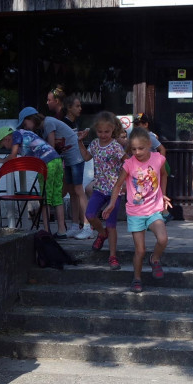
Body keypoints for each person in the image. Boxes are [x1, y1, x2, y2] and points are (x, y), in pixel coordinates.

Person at [102, 127, 171, 293]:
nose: (137, 152)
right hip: (135, 212)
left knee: (163, 239)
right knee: (140, 250)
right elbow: (118, 185)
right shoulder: (129, 164)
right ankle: (137, 278)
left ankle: (155, 259)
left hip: (154, 209)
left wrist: (163, 194)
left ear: (149, 145)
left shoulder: (158, 159)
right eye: (133, 149)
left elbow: (164, 174)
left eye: (141, 148)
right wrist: (111, 204)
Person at [18, 107, 88, 238]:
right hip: (66, 158)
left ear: (31, 118)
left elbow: (51, 146)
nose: (25, 127)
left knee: (78, 190)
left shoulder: (48, 123)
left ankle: (87, 226)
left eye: (25, 124)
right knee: (71, 192)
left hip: (76, 156)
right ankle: (74, 226)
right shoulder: (42, 128)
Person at [0, 124, 65, 237]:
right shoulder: (25, 134)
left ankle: (47, 231)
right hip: (57, 161)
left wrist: (2, 160)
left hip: (46, 163)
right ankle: (62, 231)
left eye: (3, 145)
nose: (6, 148)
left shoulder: (16, 134)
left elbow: (13, 156)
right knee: (57, 197)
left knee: (45, 199)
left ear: (7, 138)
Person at [78, 111, 125, 270]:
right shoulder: (94, 144)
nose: (103, 135)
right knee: (90, 214)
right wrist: (80, 142)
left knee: (111, 224)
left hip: (114, 191)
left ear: (112, 130)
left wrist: (125, 182)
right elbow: (86, 157)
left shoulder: (116, 146)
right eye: (100, 132)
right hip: (99, 188)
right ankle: (102, 233)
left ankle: (112, 256)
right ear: (95, 130)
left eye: (107, 131)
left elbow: (127, 163)